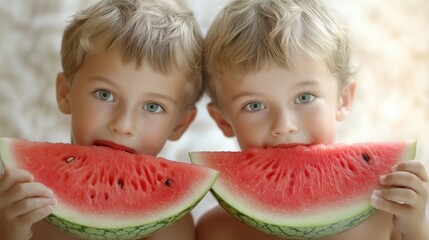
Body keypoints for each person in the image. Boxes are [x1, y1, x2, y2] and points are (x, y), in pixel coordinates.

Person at [197, 0, 429, 239]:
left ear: (343, 100)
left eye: (304, 97)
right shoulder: (216, 229)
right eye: (254, 105)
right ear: (222, 121)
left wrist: (415, 226)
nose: (284, 125)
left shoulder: (384, 214)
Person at [0, 0, 203, 239]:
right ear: (65, 94)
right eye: (105, 94)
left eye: (153, 106)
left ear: (179, 125)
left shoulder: (172, 227)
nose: (123, 125)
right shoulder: (22, 201)